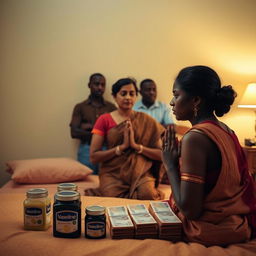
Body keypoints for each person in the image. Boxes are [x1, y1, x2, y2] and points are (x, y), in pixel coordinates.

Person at [162, 65, 256, 246]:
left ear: (196, 100)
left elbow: (190, 211)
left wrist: (170, 164)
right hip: (236, 223)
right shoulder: (227, 130)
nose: (172, 102)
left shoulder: (194, 138)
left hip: (210, 229)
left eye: (176, 95)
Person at [88, 78, 165, 200]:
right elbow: (94, 157)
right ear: (114, 96)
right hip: (113, 172)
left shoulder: (146, 120)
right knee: (113, 197)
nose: (128, 97)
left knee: (148, 195)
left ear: (136, 96)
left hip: (140, 170)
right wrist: (121, 148)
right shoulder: (104, 120)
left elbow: (162, 154)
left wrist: (136, 147)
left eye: (132, 94)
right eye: (123, 93)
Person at [70, 73, 116, 174]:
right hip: (86, 150)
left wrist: (89, 128)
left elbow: (116, 133)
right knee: (86, 181)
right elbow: (74, 133)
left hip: (106, 150)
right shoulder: (80, 107)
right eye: (96, 84)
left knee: (106, 180)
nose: (100, 87)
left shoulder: (111, 107)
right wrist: (101, 132)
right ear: (89, 85)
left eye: (103, 85)